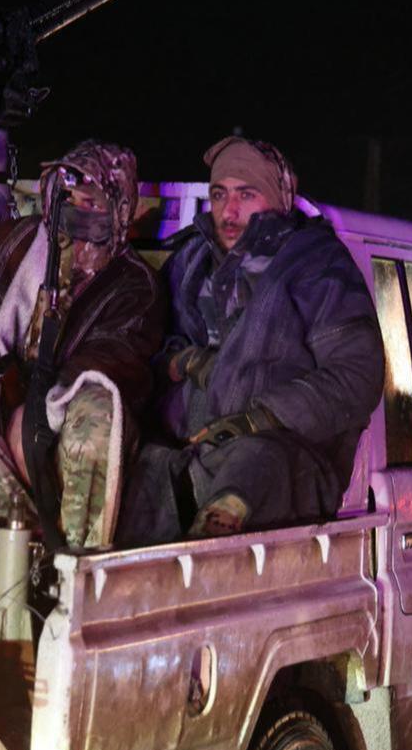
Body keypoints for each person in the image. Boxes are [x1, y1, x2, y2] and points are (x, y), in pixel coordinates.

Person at [117, 136, 384, 542]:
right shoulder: (188, 263)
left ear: (277, 198)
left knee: (255, 463)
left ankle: (221, 522)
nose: (229, 210)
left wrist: (263, 417)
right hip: (185, 451)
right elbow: (145, 349)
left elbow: (357, 374)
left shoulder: (317, 264)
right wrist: (183, 361)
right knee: (141, 469)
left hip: (284, 461)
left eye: (246, 194)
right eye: (219, 194)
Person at [0, 141, 165, 550]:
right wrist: (7, 390)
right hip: (9, 387)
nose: (74, 209)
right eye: (65, 196)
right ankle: (13, 542)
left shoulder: (135, 284)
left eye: (89, 201)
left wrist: (42, 412)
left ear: (118, 207)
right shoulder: (17, 242)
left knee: (94, 414)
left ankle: (79, 563)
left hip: (69, 403)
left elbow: (113, 360)